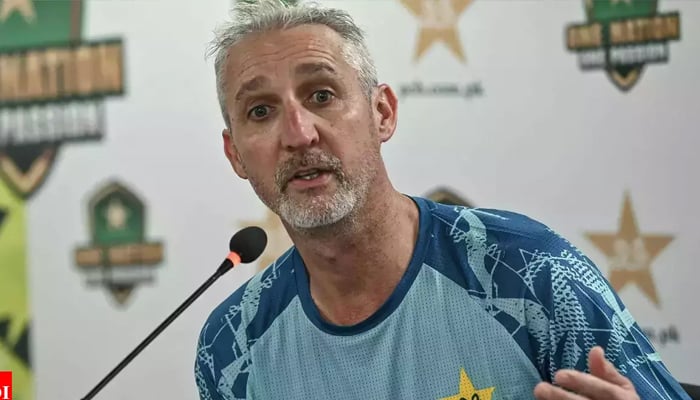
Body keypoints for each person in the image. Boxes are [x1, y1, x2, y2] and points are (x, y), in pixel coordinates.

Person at [194, 1, 691, 399]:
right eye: (261, 110)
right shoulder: (232, 346)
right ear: (235, 153)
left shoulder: (530, 273)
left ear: (382, 113)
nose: (299, 135)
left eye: (322, 95)